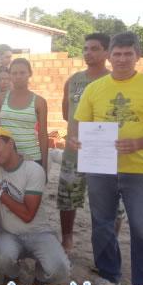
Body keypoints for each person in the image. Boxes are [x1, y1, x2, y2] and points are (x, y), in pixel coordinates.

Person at [71, 32, 143, 285]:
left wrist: (140, 143)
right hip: (100, 167)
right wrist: (75, 140)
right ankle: (109, 277)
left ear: (137, 56)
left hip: (139, 168)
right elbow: (78, 124)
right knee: (102, 223)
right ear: (110, 56)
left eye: (127, 54)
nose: (121, 59)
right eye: (116, 54)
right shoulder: (95, 89)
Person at [0, 127, 70, 285]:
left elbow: (28, 215)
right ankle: (13, 274)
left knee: (60, 269)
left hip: (39, 233)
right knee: (0, 257)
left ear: (11, 143)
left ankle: (40, 275)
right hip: (10, 233)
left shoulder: (33, 170)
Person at [57, 33, 110, 253]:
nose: (89, 53)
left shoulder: (114, 79)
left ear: (106, 52)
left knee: (108, 204)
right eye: (86, 48)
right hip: (74, 152)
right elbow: (65, 113)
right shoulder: (74, 80)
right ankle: (67, 239)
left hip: (104, 152)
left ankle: (107, 246)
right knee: (67, 198)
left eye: (95, 48)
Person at [0, 58, 48, 169]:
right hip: (6, 158)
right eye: (14, 73)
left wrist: (44, 165)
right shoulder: (0, 99)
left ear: (30, 74)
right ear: (10, 75)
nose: (18, 76)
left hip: (31, 157)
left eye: (22, 72)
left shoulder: (39, 102)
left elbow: (43, 135)